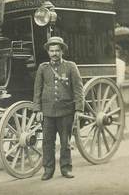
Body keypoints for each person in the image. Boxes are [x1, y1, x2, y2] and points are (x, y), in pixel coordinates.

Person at [33, 36, 84, 180]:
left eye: (57, 50)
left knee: (65, 143)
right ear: (48, 52)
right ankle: (48, 170)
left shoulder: (70, 67)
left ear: (62, 51)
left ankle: (66, 168)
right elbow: (37, 90)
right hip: (47, 112)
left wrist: (79, 109)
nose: (54, 53)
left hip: (66, 111)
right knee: (47, 143)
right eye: (51, 51)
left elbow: (78, 89)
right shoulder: (43, 68)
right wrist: (37, 110)